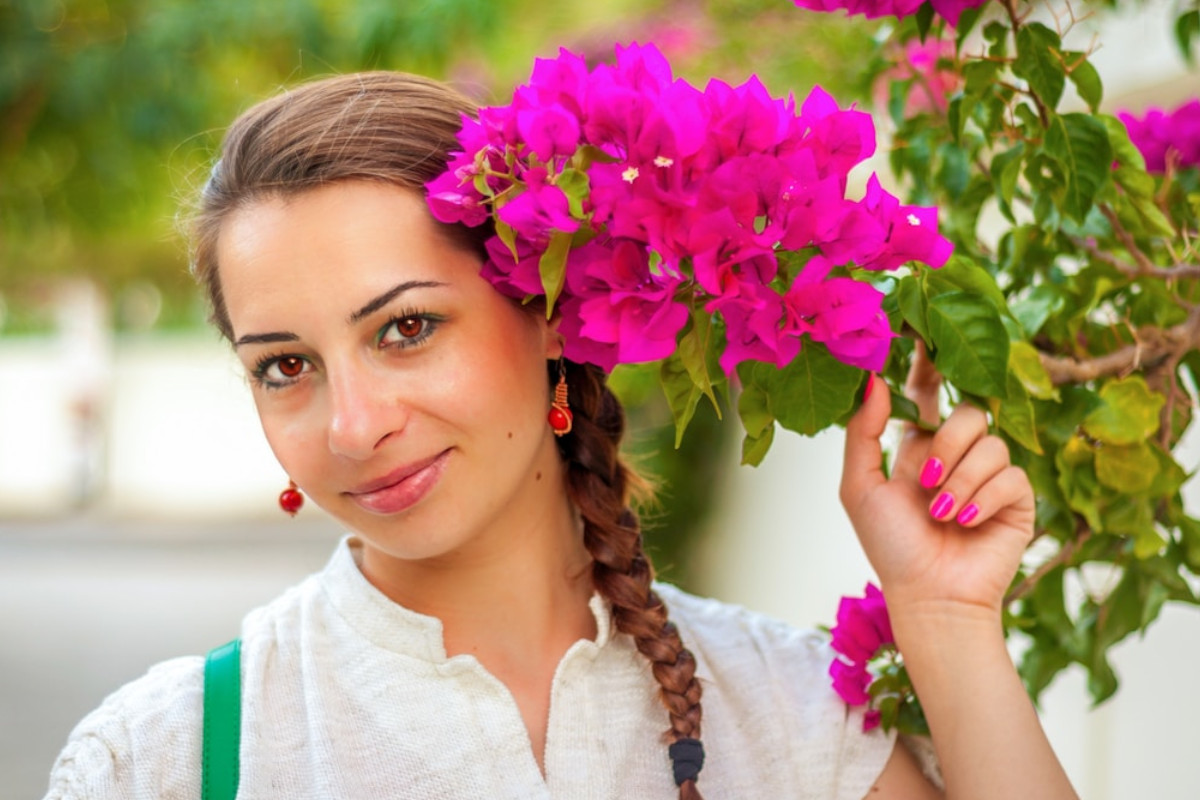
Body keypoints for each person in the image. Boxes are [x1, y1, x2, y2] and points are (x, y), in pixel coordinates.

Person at [43, 71, 1078, 800]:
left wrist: (943, 619)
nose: (353, 425)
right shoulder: (162, 758)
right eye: (285, 366)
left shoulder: (785, 712)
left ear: (549, 309)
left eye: (406, 328)